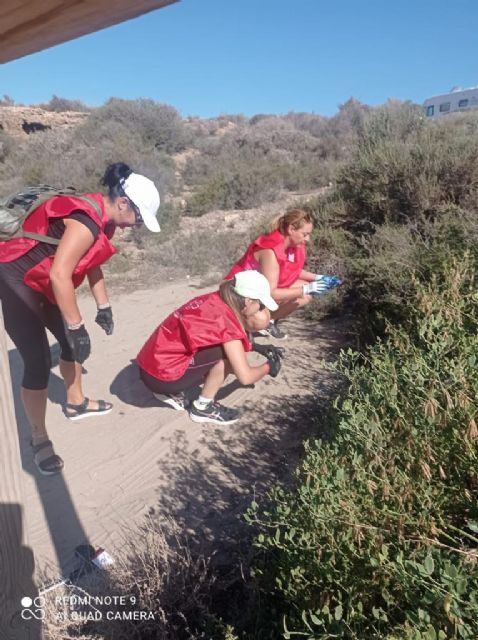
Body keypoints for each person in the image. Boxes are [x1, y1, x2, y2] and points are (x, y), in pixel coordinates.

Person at [0, 162, 161, 475]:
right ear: (124, 203)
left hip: (41, 277)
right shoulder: (87, 220)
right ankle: (38, 437)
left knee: (70, 347)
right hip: (14, 274)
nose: (138, 225)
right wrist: (78, 326)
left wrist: (104, 306)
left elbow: (92, 260)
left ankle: (75, 402)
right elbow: (62, 275)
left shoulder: (105, 221)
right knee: (37, 362)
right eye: (139, 218)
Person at [137, 270, 284, 425]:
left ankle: (168, 390)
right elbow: (245, 377)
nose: (263, 310)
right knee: (225, 356)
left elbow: (205, 336)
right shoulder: (227, 326)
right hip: (160, 378)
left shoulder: (216, 299)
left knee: (226, 349)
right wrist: (269, 366)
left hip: (150, 366)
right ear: (248, 302)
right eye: (261, 305)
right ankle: (203, 408)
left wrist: (257, 347)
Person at [225, 209, 341, 339]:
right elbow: (271, 292)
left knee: (305, 292)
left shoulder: (291, 247)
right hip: (237, 295)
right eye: (305, 234)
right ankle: (253, 323)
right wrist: (308, 288)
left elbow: (291, 271)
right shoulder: (271, 251)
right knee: (304, 291)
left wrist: (317, 278)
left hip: (255, 290)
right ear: (291, 229)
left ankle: (268, 321)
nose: (308, 239)